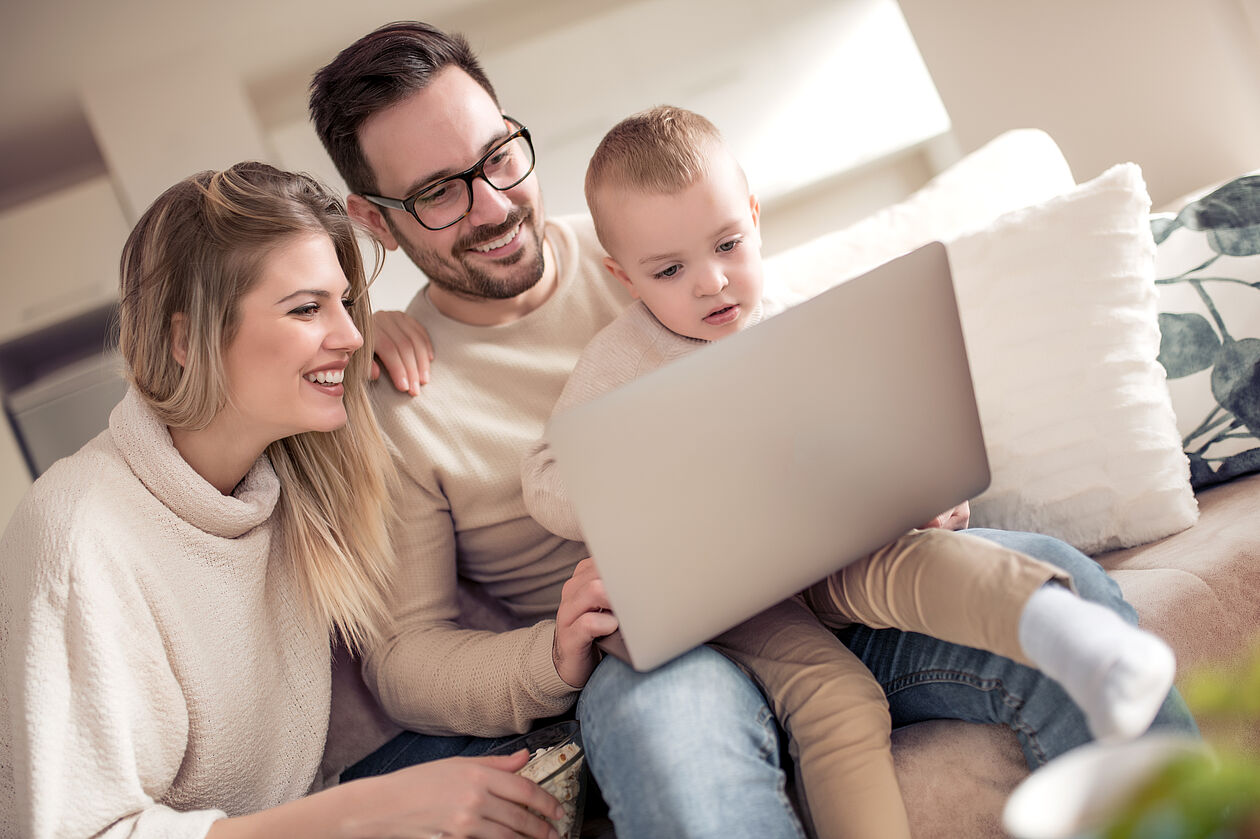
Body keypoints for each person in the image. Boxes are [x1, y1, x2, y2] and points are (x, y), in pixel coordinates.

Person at [309, 21, 1198, 839]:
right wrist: (552, 650)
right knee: (674, 741)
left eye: (499, 155)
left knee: (1058, 584)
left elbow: (817, 370)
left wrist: (903, 473)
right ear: (373, 219)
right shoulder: (395, 393)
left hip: (829, 575)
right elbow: (402, 657)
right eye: (438, 195)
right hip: (659, 651)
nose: (494, 204)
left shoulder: (663, 230)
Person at [520, 104, 1183, 839]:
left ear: (753, 214)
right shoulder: (618, 358)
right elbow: (545, 477)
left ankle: (1079, 644)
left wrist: (915, 486)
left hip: (821, 550)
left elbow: (870, 422)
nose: (711, 282)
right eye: (670, 270)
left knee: (919, 561)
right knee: (837, 699)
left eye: (728, 244)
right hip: (721, 602)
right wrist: (649, 476)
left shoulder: (791, 316)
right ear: (623, 277)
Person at [0, 162, 566, 839]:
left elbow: (421, 636)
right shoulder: (81, 528)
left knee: (581, 720)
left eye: (345, 303)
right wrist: (366, 812)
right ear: (187, 340)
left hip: (327, 802)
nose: (351, 335)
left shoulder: (290, 472)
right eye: (306, 307)